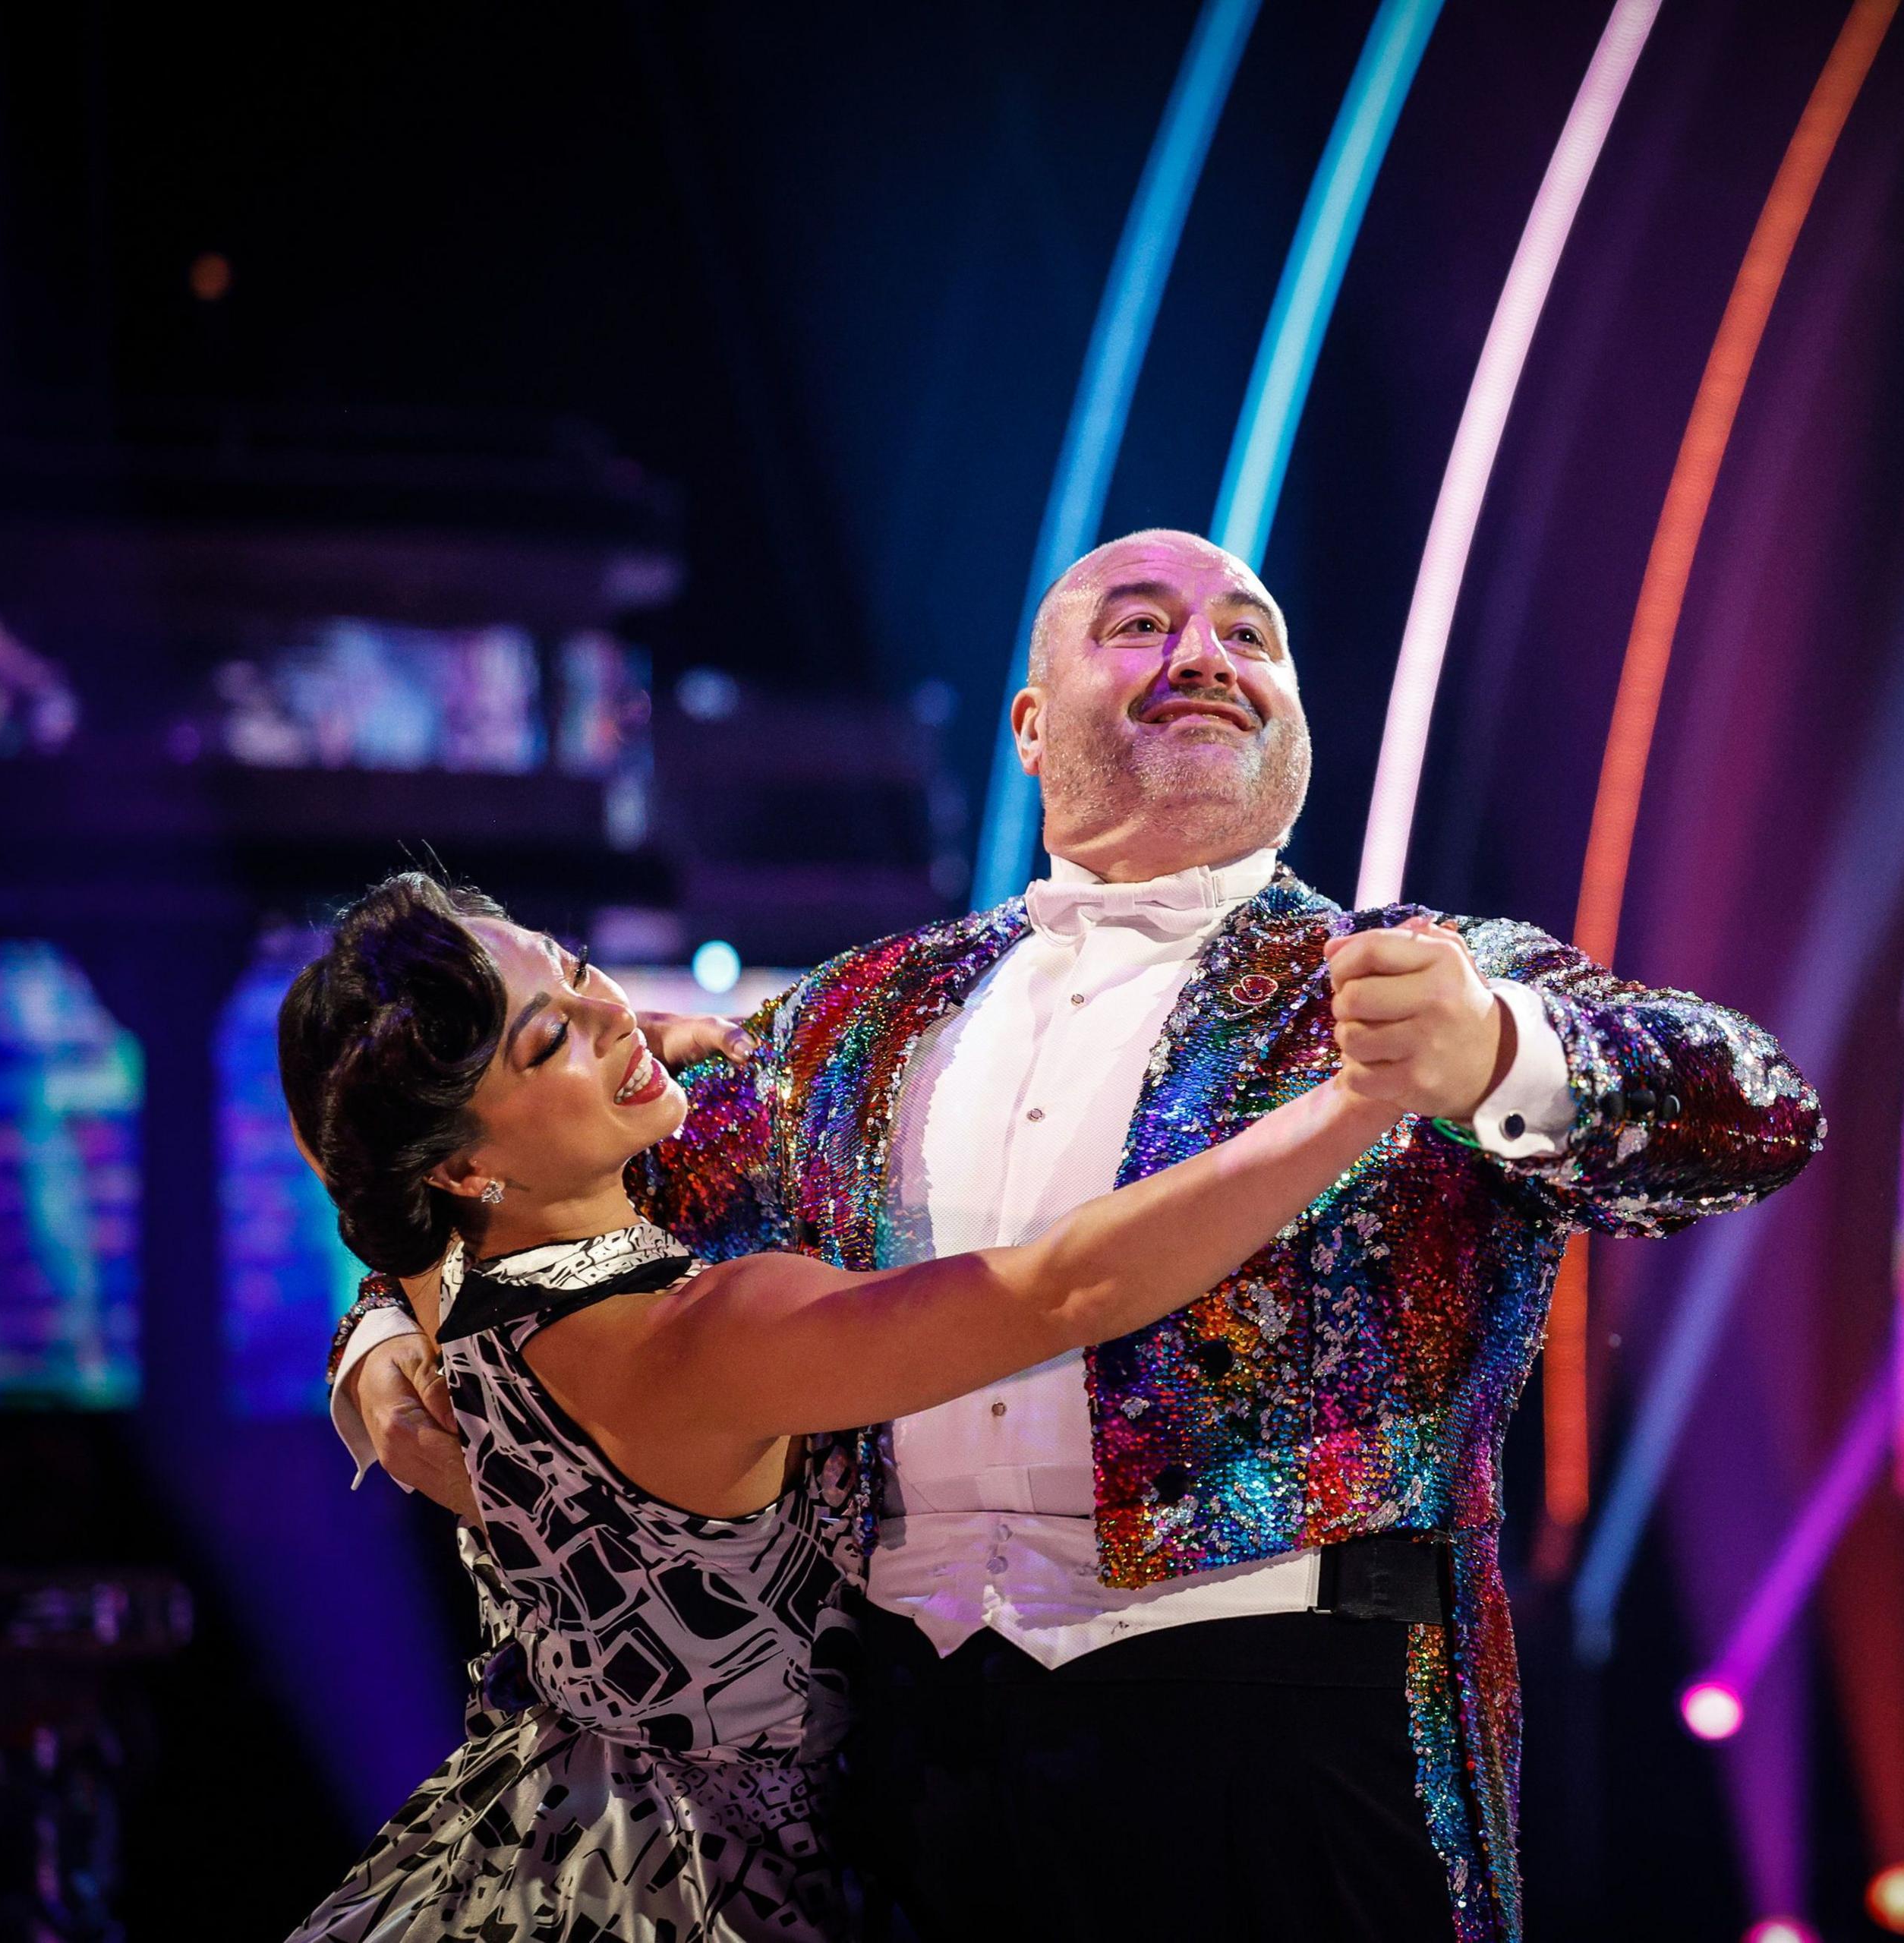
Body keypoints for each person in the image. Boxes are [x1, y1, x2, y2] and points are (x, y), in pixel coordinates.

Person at [336, 529, 1824, 1943]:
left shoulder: (1411, 982)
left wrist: (1502, 1048)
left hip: (1291, 1734)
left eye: (1254, 634)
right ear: (1033, 725)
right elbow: (541, 1176)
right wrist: (392, 1322)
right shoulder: (863, 1014)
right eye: (1142, 624)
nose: (1206, 653)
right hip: (914, 1762)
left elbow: (1762, 1115)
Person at [278, 870, 1411, 1941]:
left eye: (578, 970)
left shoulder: (444, 1287)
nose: (618, 1015)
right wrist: (1362, 1100)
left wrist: (373, 1341)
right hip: (707, 1891)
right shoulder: (711, 1335)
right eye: (550, 1040)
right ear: (464, 1166)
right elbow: (1069, 1287)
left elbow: (342, 1139)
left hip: (525, 1843)